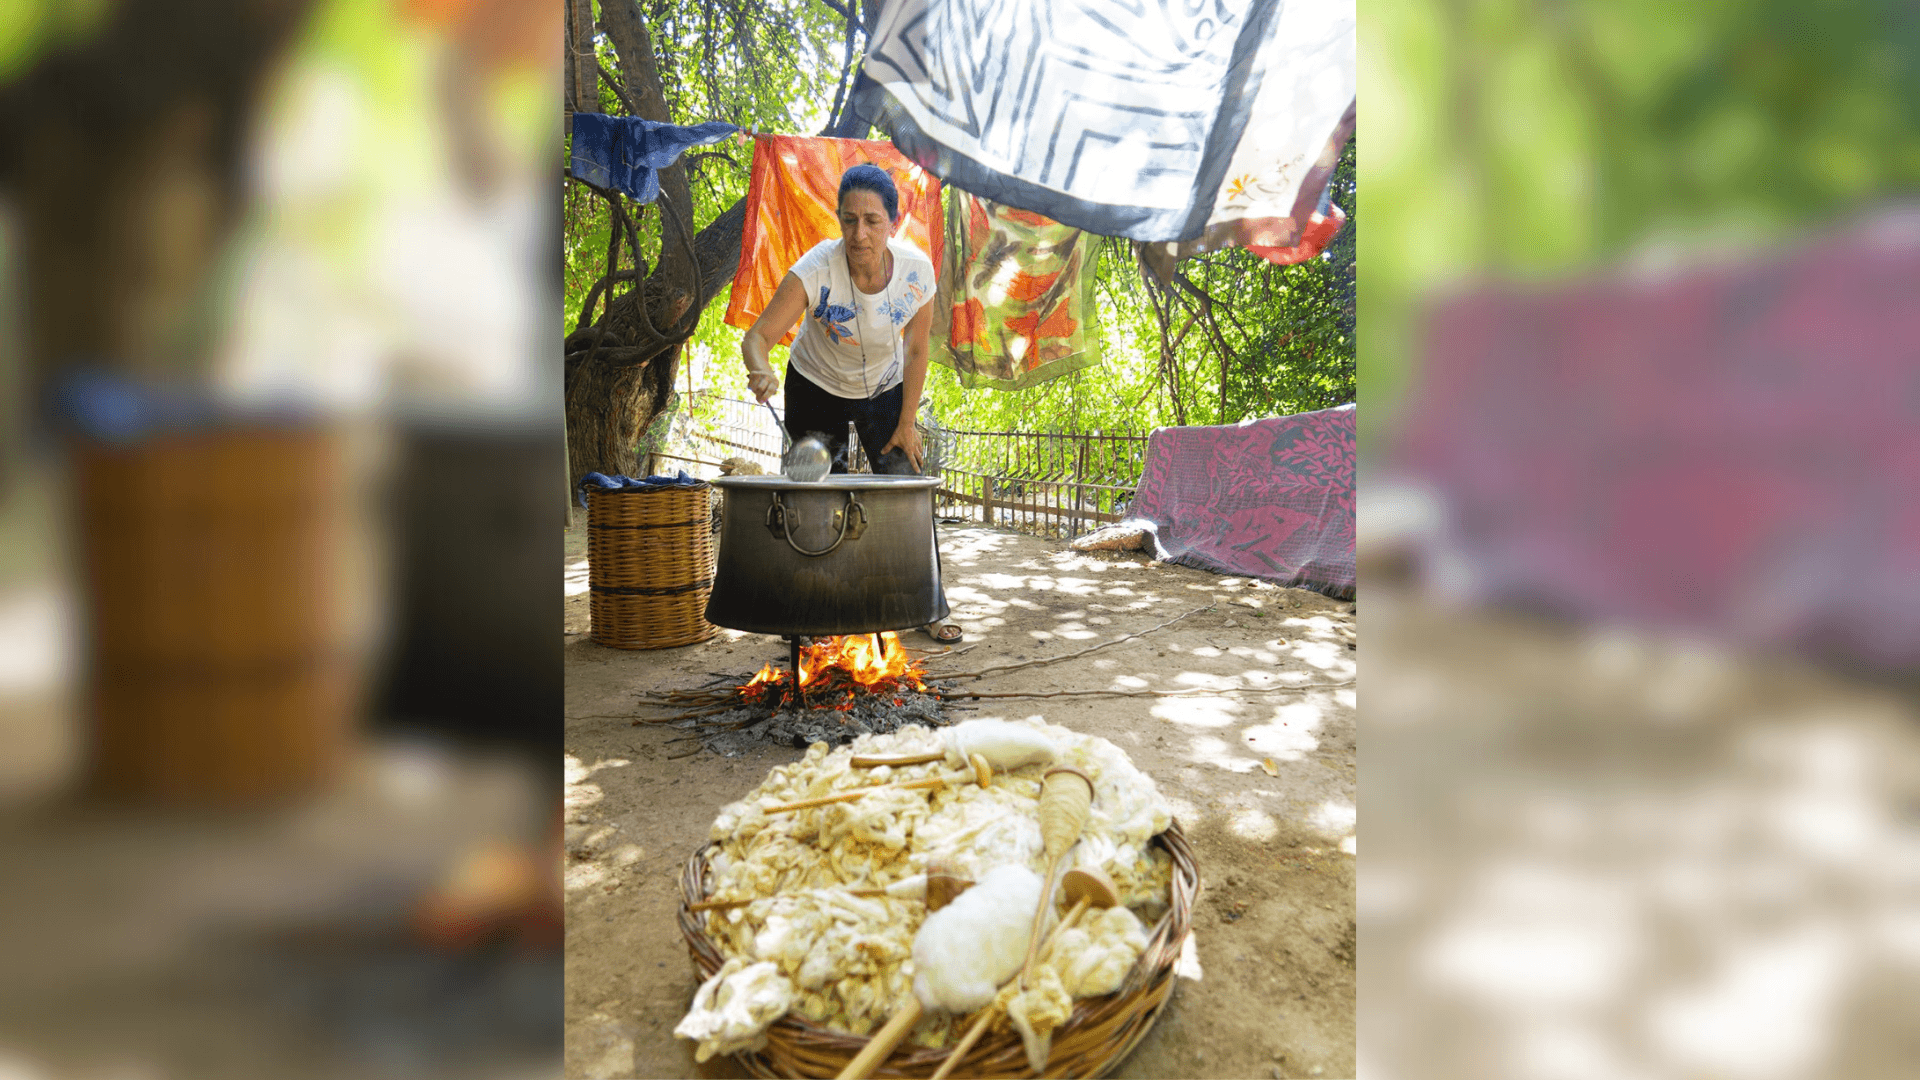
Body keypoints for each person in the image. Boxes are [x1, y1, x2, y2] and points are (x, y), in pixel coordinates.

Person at [740, 163, 962, 644]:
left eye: (873, 220)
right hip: (815, 386)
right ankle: (810, 613)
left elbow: (918, 349)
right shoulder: (816, 269)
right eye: (849, 220)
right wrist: (761, 367)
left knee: (906, 488)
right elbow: (758, 337)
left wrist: (907, 422)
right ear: (838, 220)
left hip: (884, 389)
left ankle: (927, 604)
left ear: (893, 222)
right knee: (815, 495)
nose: (860, 234)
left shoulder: (916, 273)